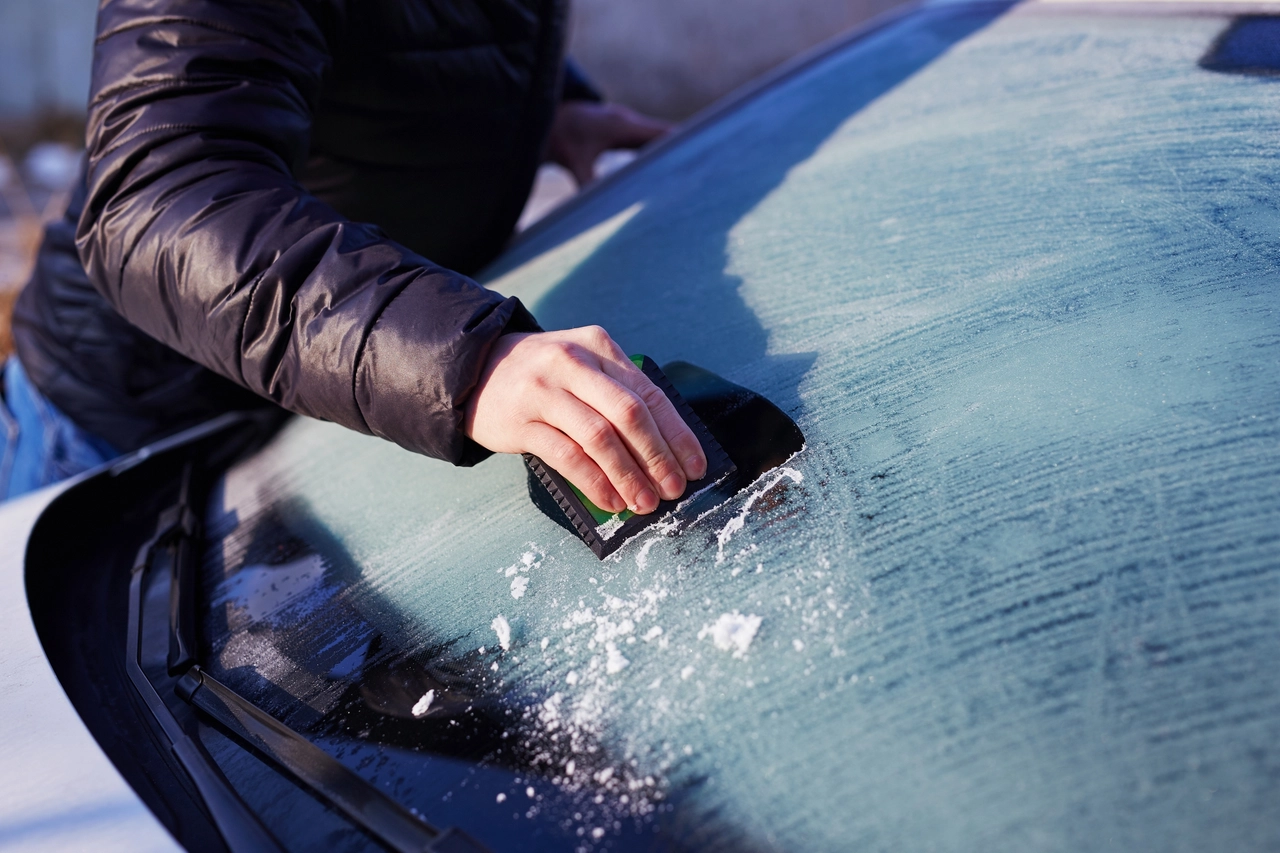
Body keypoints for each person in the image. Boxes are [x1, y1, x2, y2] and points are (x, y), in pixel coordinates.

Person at [1, 0, 707, 509]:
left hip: (327, 420)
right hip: (124, 439)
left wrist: (553, 109)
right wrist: (464, 360)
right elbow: (158, 201)